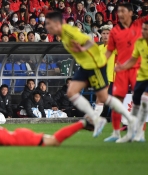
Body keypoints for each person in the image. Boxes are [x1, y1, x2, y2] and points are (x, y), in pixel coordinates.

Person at [45, 11, 136, 139]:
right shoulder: (63, 35)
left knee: (103, 98)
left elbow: (89, 42)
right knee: (72, 92)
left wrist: (82, 49)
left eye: (48, 24)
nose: (46, 27)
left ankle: (127, 119)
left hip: (95, 66)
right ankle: (98, 119)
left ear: (56, 23)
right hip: (86, 66)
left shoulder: (69, 32)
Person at [105, 3, 148, 143]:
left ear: (130, 12)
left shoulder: (139, 25)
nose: (120, 14)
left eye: (123, 11)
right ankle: (116, 133)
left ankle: (140, 133)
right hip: (122, 70)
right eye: (119, 11)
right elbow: (108, 52)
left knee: (142, 101)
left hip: (138, 70)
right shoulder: (114, 31)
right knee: (116, 101)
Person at [0, 107, 95, 147]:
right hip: (18, 136)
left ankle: (82, 123)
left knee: (55, 141)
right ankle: (82, 124)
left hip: (21, 139)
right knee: (54, 140)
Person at [114, 21, 148, 142]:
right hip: (142, 77)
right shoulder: (139, 42)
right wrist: (122, 67)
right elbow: (133, 59)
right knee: (136, 104)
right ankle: (130, 134)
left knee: (145, 99)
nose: (143, 32)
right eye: (143, 29)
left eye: (146, 30)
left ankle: (140, 133)